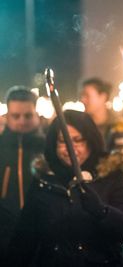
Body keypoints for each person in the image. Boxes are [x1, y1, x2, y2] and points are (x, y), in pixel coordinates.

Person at [6, 110, 123, 267]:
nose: (70, 148)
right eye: (63, 141)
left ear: (90, 140)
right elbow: (24, 239)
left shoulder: (112, 178)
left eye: (77, 140)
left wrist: (102, 212)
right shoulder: (45, 180)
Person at [0, 86, 45, 261]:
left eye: (27, 116)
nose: (21, 121)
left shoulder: (48, 148)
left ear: (36, 115)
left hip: (40, 235)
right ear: (7, 116)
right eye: (15, 116)